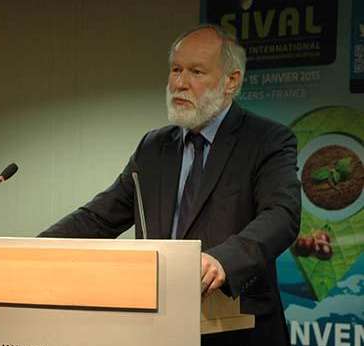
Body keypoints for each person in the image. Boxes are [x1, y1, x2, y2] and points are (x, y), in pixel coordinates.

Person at [39, 24, 300, 345]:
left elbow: (282, 215)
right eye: (175, 69)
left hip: (238, 326)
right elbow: (99, 218)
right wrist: (35, 250)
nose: (179, 83)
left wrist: (223, 260)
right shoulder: (153, 148)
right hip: (161, 328)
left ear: (232, 81)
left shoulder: (266, 139)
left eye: (196, 72)